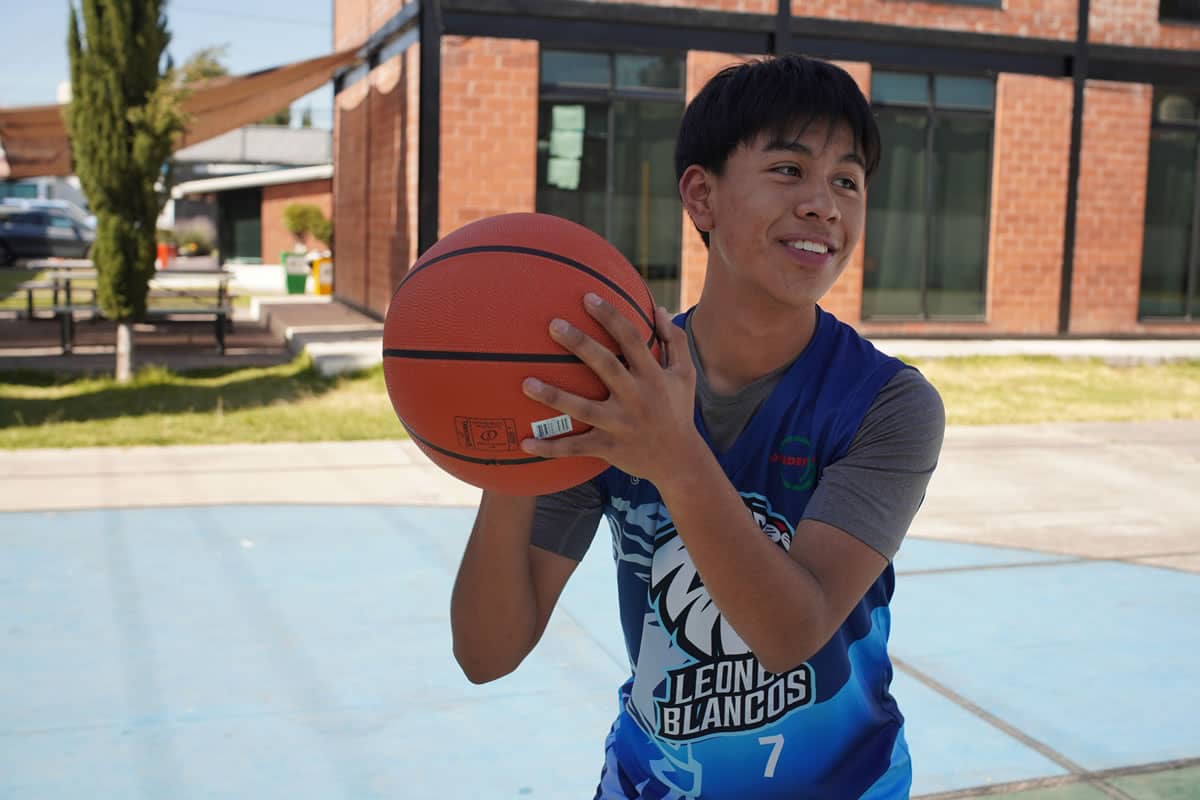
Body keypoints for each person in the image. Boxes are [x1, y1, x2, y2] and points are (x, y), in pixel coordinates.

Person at [450, 54, 945, 799]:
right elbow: (486, 655)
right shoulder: (615, 388)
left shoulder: (888, 404)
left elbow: (790, 636)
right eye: (788, 170)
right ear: (701, 195)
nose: (824, 205)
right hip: (655, 782)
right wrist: (512, 452)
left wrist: (674, 456)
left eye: (847, 181)